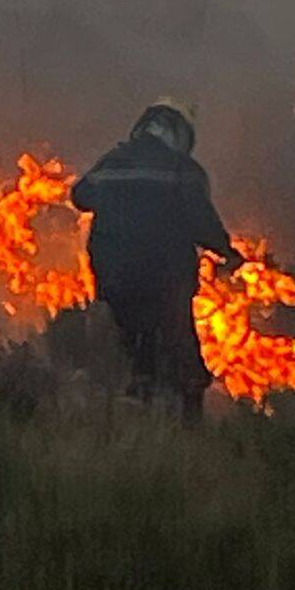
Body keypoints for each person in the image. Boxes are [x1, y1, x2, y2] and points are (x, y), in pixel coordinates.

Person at [70, 100, 243, 420]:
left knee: (127, 348)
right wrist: (227, 253)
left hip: (114, 277)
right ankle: (191, 424)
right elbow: (201, 221)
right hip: (166, 279)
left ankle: (127, 412)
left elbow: (80, 196)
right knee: (180, 346)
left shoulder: (113, 161)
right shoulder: (183, 170)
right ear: (179, 135)